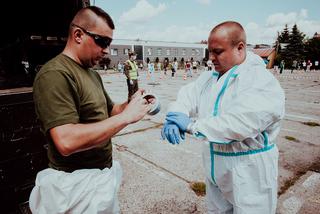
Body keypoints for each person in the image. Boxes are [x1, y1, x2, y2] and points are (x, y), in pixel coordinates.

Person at [30, 6, 151, 213]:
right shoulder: (55, 74)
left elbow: (111, 111)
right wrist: (127, 118)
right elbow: (66, 141)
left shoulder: (91, 74)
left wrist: (132, 104)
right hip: (73, 188)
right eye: (102, 41)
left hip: (99, 180)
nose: (106, 50)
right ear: (78, 35)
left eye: (109, 43)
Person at [161, 21, 285, 214]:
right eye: (209, 52)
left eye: (217, 52)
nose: (211, 58)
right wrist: (176, 114)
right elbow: (188, 96)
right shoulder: (209, 78)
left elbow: (241, 123)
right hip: (215, 167)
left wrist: (193, 126)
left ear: (240, 48)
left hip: (248, 173)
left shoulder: (260, 81)